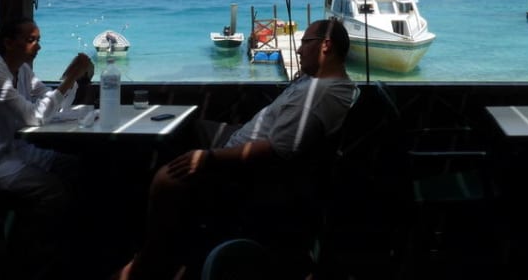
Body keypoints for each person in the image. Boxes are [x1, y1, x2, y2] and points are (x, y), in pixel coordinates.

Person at [117, 18, 358, 280]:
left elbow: (277, 150)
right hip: (236, 139)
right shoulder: (327, 83)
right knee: (178, 129)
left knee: (166, 176)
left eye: (304, 43)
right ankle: (157, 229)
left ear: (325, 46)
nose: (298, 50)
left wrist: (207, 158)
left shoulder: (317, 96)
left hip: (243, 166)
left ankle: (152, 256)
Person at [0, 18, 94, 209]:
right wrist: (71, 78)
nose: (38, 47)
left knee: (76, 167)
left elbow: (54, 105)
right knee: (54, 188)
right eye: (31, 40)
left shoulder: (22, 71)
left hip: (19, 152)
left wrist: (69, 78)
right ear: (8, 43)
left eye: (38, 40)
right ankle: (34, 236)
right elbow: (35, 116)